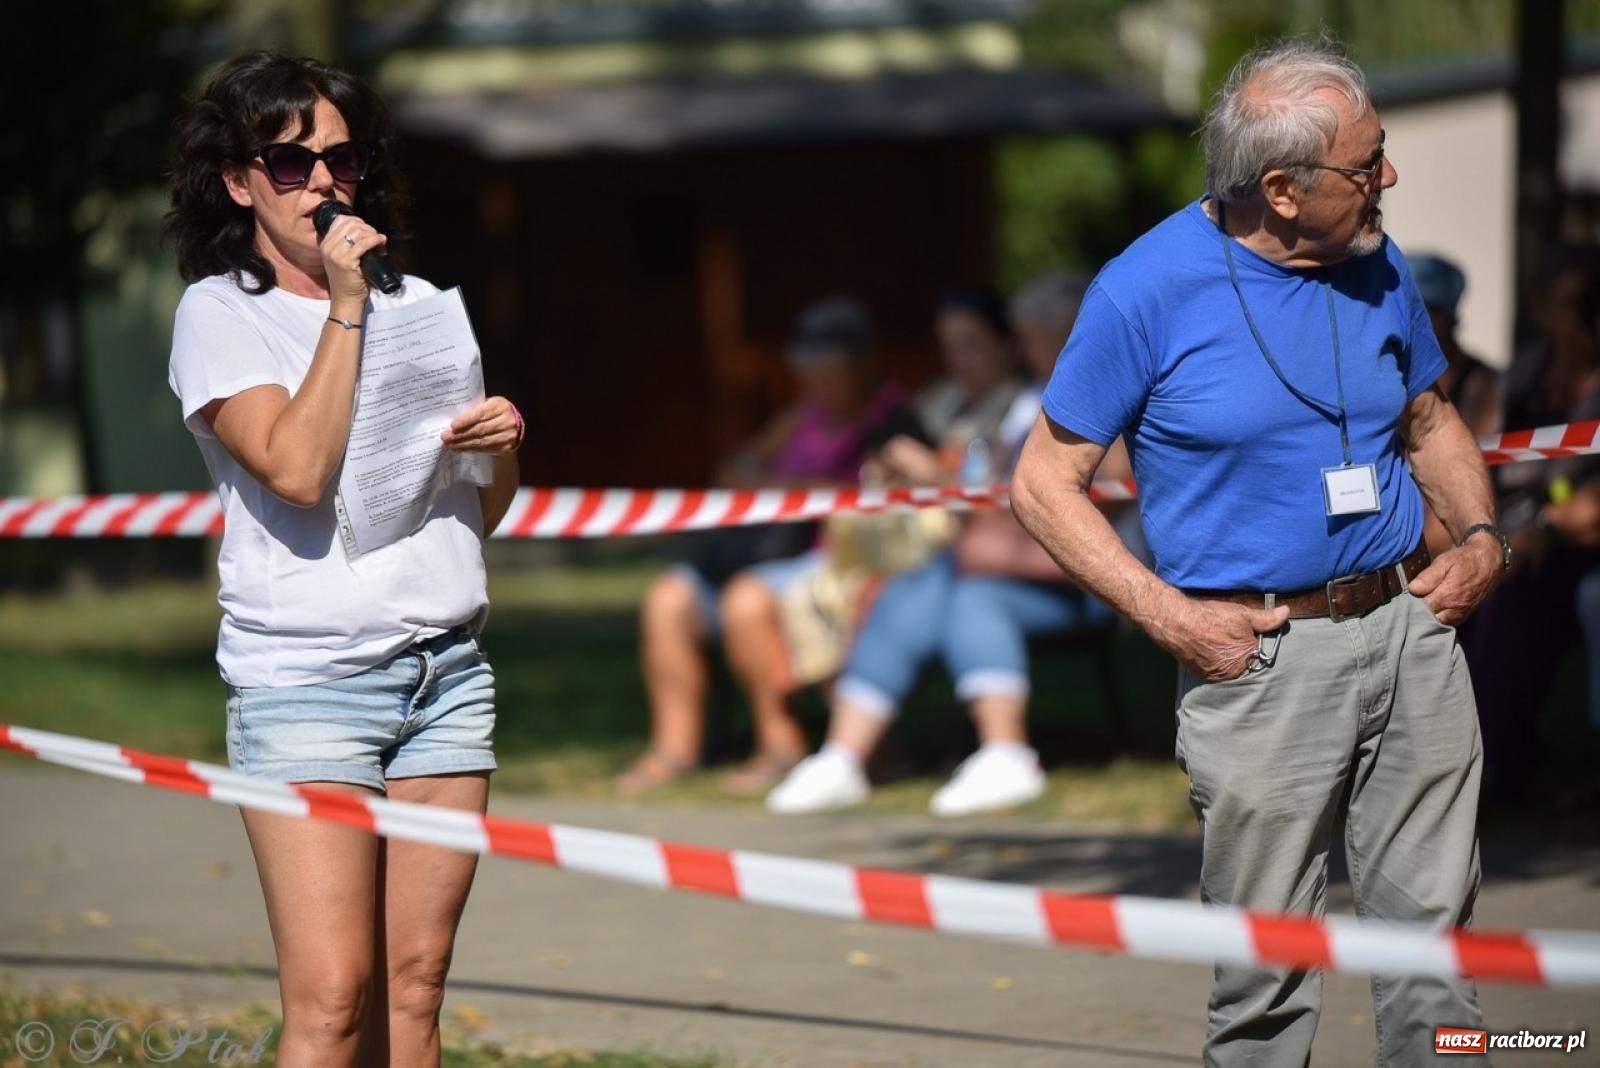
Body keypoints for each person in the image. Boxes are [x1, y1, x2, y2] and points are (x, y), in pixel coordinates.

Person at [1009, 38, 1506, 1065]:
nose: (1389, 179)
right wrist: (1172, 620)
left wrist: (1484, 537)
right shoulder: (1142, 289)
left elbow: (1429, 417)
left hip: (1410, 632)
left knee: (1437, 955)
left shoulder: (1376, 259)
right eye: (1365, 166)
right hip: (1262, 659)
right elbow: (1040, 486)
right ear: (1279, 188)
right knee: (1266, 975)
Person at [166, 52, 521, 1065]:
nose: (323, 182)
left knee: (414, 994)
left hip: (445, 676)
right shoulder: (219, 313)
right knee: (331, 1005)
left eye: (343, 158)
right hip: (309, 685)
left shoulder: (422, 308)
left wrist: (500, 447)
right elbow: (293, 469)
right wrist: (345, 303)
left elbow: (475, 514)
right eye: (289, 161)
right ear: (239, 182)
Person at [765, 272, 1137, 816]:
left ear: (1067, 336)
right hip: (1012, 562)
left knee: (964, 588)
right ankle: (847, 754)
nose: (1021, 349)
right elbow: (1017, 499)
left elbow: (1082, 506)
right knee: (932, 577)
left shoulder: (1106, 398)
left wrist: (954, 500)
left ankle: (998, 752)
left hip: (1090, 574)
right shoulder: (1035, 400)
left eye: (1030, 337)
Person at [614, 297, 915, 796]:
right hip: (765, 553)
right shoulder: (806, 414)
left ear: (860, 367)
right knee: (668, 599)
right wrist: (788, 484)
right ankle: (675, 748)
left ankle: (781, 742)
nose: (816, 386)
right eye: (810, 374)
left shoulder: (891, 420)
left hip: (834, 561)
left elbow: (877, 501)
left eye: (828, 375)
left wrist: (790, 486)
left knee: (746, 601)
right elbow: (735, 469)